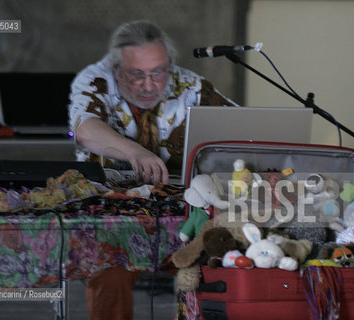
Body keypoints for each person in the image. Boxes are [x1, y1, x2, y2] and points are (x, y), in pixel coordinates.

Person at [68, 20, 235, 320]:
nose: (149, 84)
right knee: (109, 274)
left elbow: (240, 128)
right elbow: (85, 129)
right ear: (116, 69)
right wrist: (135, 151)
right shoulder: (95, 79)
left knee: (220, 261)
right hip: (113, 217)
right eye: (136, 75)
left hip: (182, 215)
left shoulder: (191, 85)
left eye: (159, 72)